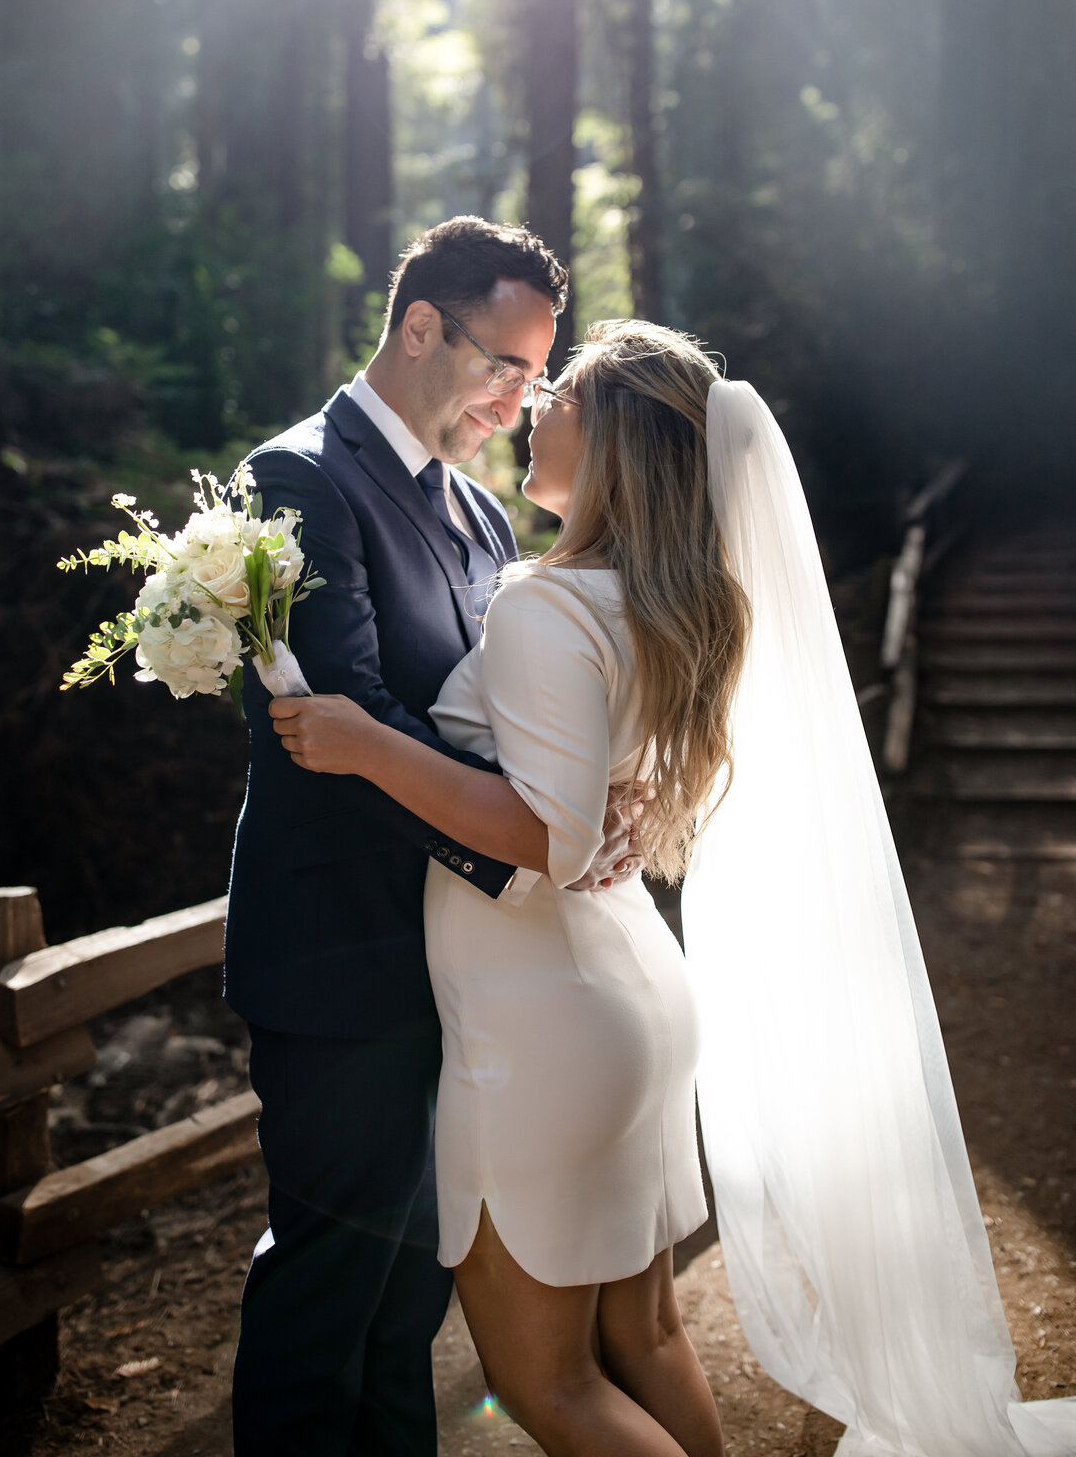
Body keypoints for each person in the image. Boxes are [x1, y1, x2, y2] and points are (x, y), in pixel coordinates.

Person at [271, 322, 1076, 1457]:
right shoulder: (660, 603)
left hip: (541, 1021)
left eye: (561, 392)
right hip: (627, 994)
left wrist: (364, 744)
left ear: (609, 441)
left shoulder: (548, 606)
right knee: (641, 1337)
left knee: (545, 1380)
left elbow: (549, 838)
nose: (536, 401)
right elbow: (594, 804)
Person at [226, 217, 642, 1457]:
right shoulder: (298, 476)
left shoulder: (478, 508)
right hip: (343, 957)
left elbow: (512, 711)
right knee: (328, 1289)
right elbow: (337, 717)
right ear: (421, 328)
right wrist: (528, 838)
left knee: (409, 1302)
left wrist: (589, 803)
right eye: (506, 368)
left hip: (462, 966)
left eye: (535, 377)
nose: (522, 405)